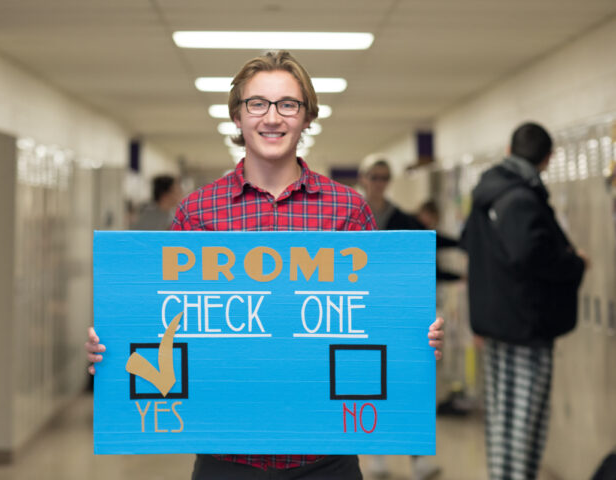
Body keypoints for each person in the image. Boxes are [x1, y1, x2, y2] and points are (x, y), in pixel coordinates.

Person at [86, 50, 445, 480]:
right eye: (257, 103)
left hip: (325, 455)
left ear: (307, 116)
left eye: (287, 104)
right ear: (237, 116)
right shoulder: (198, 212)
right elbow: (164, 321)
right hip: (227, 455)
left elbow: (375, 318)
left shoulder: (348, 210)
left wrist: (417, 338)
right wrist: (112, 344)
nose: (272, 118)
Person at [460, 122, 589, 480]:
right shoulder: (520, 197)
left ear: (508, 150)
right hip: (525, 326)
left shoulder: (488, 191)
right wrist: (575, 262)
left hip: (497, 322)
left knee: (503, 418)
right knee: (525, 423)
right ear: (547, 158)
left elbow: (472, 244)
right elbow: (530, 255)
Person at [359, 162, 443, 480]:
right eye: (374, 177)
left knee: (408, 382)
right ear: (364, 179)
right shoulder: (350, 217)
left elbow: (423, 258)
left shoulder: (404, 220)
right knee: (372, 384)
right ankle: (377, 454)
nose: (379, 183)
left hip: (399, 312)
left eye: (384, 178)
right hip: (364, 312)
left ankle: (417, 455)